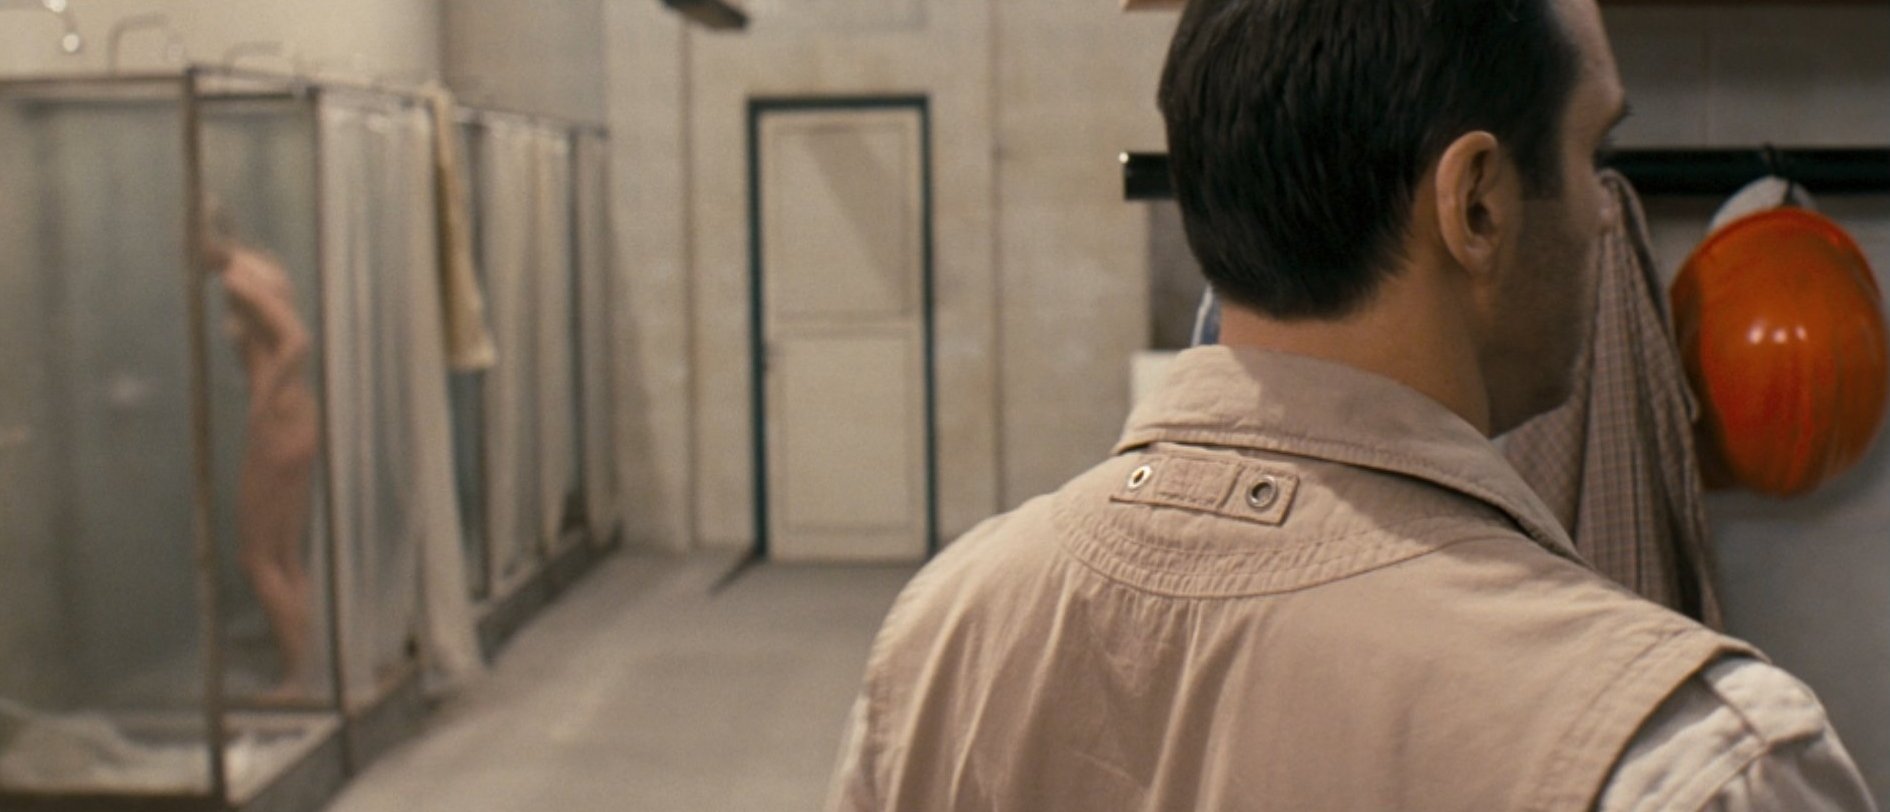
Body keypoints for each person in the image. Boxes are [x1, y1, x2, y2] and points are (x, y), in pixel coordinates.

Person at [826, 0, 1878, 809]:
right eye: (1589, 155)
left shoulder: (948, 632)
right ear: (1477, 205)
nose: (1606, 216)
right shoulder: (1695, 763)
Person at [204, 225, 321, 701]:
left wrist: (261, 399)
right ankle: (311, 667)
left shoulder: (237, 279)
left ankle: (298, 677)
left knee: (257, 558)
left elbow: (296, 339)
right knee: (286, 556)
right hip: (299, 415)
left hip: (277, 423)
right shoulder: (263, 265)